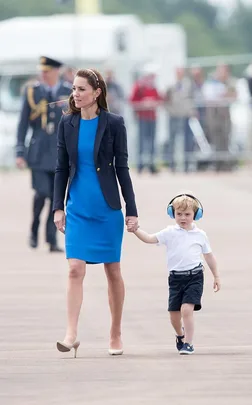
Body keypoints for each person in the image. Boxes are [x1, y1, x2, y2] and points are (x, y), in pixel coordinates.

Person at [53, 68, 138, 357]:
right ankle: (71, 333)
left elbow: (122, 169)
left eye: (81, 90)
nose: (75, 94)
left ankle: (115, 332)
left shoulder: (114, 123)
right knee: (75, 269)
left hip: (107, 209)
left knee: (112, 270)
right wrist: (57, 208)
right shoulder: (67, 123)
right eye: (74, 89)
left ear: (97, 93)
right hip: (77, 208)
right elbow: (62, 168)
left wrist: (132, 210)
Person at [128, 193, 221, 355]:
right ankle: (180, 334)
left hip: (195, 276)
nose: (183, 218)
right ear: (172, 214)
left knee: (186, 310)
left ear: (196, 215)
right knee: (173, 315)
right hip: (176, 278)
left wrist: (216, 276)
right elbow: (150, 238)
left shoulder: (200, 235)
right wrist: (136, 230)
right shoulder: (169, 232)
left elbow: (209, 256)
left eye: (187, 214)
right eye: (179, 214)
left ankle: (189, 343)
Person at [16, 56, 72, 252]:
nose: (43, 74)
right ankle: (34, 228)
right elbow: (23, 122)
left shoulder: (68, 91)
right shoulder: (33, 91)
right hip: (39, 152)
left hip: (60, 152)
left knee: (56, 198)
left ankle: (51, 239)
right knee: (42, 192)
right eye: (42, 71)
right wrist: (20, 151)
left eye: (47, 71)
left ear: (56, 71)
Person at [129, 65, 163, 174]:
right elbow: (132, 101)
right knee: (142, 141)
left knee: (152, 141)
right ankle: (140, 165)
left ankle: (152, 165)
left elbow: (159, 100)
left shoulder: (154, 88)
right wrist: (143, 103)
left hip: (152, 117)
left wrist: (153, 103)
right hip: (142, 118)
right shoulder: (139, 87)